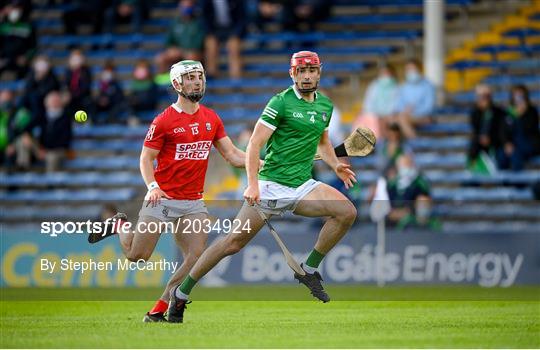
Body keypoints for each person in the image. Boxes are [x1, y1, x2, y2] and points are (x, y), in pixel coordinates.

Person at [168, 51, 358, 323]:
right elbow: (255, 145)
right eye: (300, 71)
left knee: (346, 212)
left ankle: (309, 268)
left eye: (311, 71)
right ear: (292, 74)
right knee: (231, 244)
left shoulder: (325, 106)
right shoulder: (280, 102)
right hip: (269, 186)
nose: (306, 76)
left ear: (319, 72)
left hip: (302, 186)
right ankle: (181, 293)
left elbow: (323, 142)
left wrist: (335, 165)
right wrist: (253, 185)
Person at [87, 60, 251, 323]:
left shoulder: (212, 118)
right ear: (177, 84)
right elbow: (145, 159)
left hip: (194, 202)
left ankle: (160, 306)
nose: (197, 81)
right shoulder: (164, 121)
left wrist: (262, 162)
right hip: (162, 199)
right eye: (190, 77)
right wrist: (152, 186)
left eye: (199, 76)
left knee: (196, 257)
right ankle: (119, 225)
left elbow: (232, 155)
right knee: (137, 256)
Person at [154, 0, 205, 86]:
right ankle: (165, 84)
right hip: (178, 52)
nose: (186, 9)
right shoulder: (175, 23)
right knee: (160, 58)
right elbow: (168, 42)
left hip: (194, 53)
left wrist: (183, 51)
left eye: (188, 6)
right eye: (184, 6)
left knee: (191, 56)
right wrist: (173, 49)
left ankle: (189, 83)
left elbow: (199, 43)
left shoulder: (199, 22)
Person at [386, 154, 435, 230]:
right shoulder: (392, 184)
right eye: (404, 164)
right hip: (394, 218)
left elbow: (424, 200)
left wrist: (409, 211)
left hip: (412, 218)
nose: (407, 167)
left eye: (409, 164)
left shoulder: (420, 183)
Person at [497, 85, 540, 171]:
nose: (518, 98)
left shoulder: (532, 111)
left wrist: (522, 115)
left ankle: (519, 183)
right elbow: (503, 131)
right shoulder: (508, 112)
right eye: (516, 95)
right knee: (501, 155)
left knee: (516, 155)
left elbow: (531, 129)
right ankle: (505, 183)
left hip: (528, 144)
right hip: (512, 144)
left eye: (521, 95)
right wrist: (507, 143)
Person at [390, 59, 435, 139]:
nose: (410, 72)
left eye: (413, 69)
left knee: (401, 119)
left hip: (424, 117)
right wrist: (404, 110)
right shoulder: (404, 87)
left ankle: (416, 144)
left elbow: (429, 107)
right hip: (406, 115)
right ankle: (391, 148)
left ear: (419, 69)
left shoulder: (428, 86)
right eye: (408, 69)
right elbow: (398, 104)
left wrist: (413, 111)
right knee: (390, 120)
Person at [201, 0, 247, 79]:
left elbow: (242, 18)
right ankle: (212, 81)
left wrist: (236, 34)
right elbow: (204, 18)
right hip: (214, 30)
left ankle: (236, 83)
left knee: (234, 49)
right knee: (211, 48)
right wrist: (210, 33)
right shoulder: (206, 2)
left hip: (233, 29)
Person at [467, 84, 506, 174]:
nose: (483, 99)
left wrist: (490, 139)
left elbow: (502, 131)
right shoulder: (475, 113)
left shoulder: (499, 112)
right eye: (480, 97)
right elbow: (476, 130)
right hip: (480, 146)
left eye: (485, 96)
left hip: (496, 145)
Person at [353, 64, 398, 139]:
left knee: (379, 122)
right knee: (361, 120)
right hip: (374, 114)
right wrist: (373, 113)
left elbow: (395, 104)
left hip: (389, 115)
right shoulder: (374, 85)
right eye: (382, 73)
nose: (384, 75)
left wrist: (385, 114)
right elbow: (368, 102)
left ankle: (378, 144)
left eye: (387, 73)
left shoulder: (396, 87)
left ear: (392, 74)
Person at [0, 0, 36, 79]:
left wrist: (26, 57)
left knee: (26, 74)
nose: (15, 11)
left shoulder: (28, 26)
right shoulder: (2, 25)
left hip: (21, 60)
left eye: (17, 8)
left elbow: (33, 47)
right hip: (4, 59)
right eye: (12, 8)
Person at [20, 55, 60, 121]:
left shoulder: (52, 75)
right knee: (24, 99)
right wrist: (36, 79)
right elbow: (27, 88)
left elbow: (50, 88)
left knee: (35, 97)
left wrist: (42, 79)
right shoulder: (32, 74)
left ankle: (36, 119)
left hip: (45, 98)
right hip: (33, 99)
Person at [40, 90, 72, 173]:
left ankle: (50, 183)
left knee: (52, 157)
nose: (54, 103)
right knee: (24, 140)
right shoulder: (42, 116)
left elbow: (65, 138)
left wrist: (47, 149)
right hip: (43, 149)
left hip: (58, 150)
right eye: (52, 101)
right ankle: (21, 169)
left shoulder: (65, 117)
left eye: (56, 101)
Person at [64, 49, 93, 115]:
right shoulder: (68, 71)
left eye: (78, 59)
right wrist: (67, 93)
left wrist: (74, 94)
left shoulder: (86, 71)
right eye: (74, 59)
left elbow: (86, 86)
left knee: (85, 102)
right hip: (71, 95)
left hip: (83, 95)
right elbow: (65, 84)